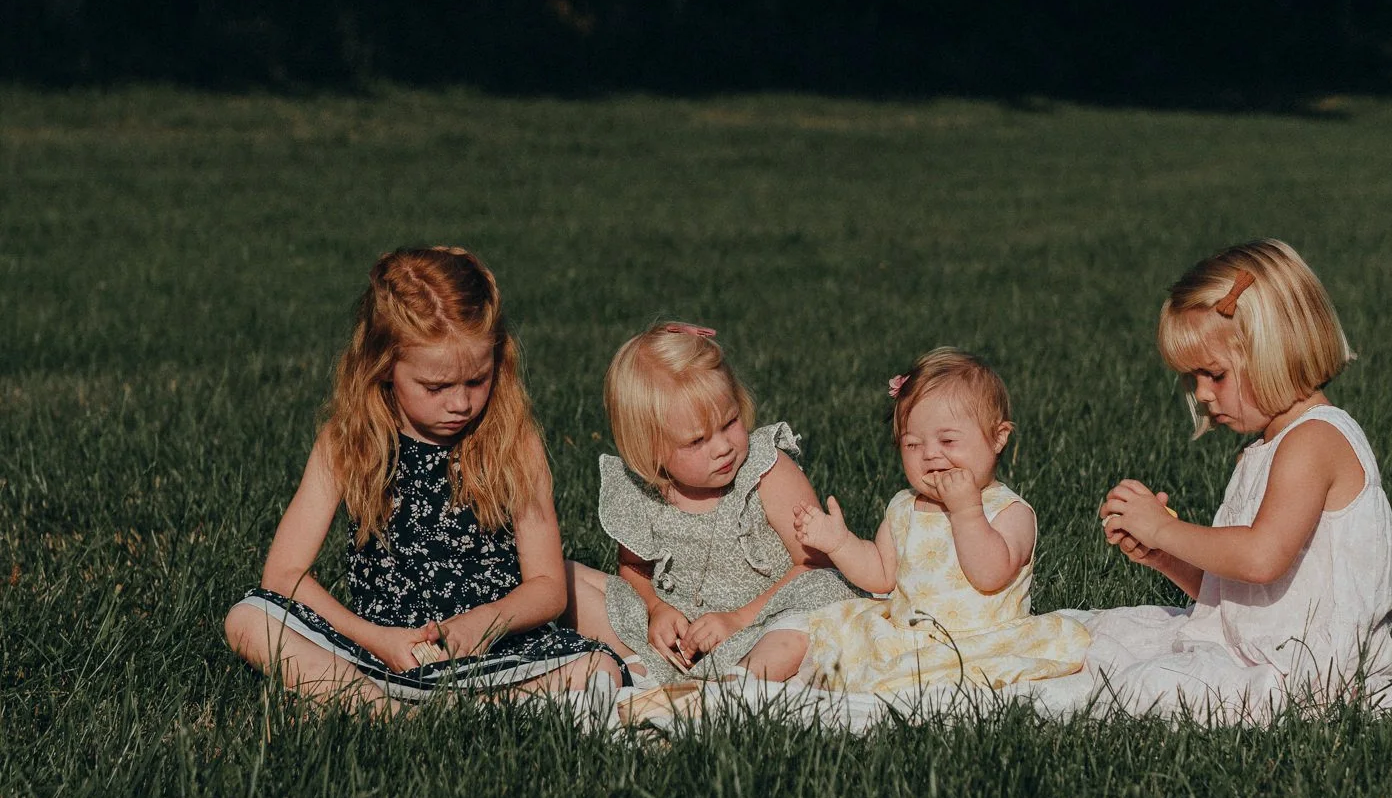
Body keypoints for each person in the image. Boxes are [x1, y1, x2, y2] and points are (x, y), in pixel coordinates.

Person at [224, 246, 618, 707]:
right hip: (381, 651)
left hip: (494, 650)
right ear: (385, 366)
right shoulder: (347, 442)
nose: (459, 403)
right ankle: (385, 708)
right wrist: (376, 639)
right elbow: (284, 574)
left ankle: (390, 705)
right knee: (247, 620)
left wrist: (482, 624)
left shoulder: (513, 441)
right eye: (435, 387)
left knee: (597, 668)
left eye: (477, 380)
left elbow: (549, 587)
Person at [1091, 238, 1392, 720]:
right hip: (1261, 651)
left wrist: (1164, 528)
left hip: (1310, 676)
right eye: (1192, 379)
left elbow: (1261, 559)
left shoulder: (1313, 442)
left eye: (1214, 375)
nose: (1201, 394)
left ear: (1274, 352)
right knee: (1100, 638)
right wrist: (1165, 556)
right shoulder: (1267, 449)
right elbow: (1240, 597)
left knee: (1139, 688)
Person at [747, 349, 1091, 696]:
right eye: (912, 444)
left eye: (948, 440)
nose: (929, 454)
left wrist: (966, 510)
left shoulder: (1009, 511)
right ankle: (738, 683)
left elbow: (990, 575)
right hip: (907, 635)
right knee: (806, 627)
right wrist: (839, 543)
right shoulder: (904, 506)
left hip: (979, 640)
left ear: (999, 437)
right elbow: (881, 573)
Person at [567, 322, 858, 683]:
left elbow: (812, 564)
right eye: (697, 441)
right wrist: (657, 608)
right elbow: (633, 569)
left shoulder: (765, 470)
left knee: (819, 599)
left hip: (763, 621)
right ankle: (649, 668)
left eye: (730, 422)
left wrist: (737, 620)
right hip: (684, 633)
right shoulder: (643, 493)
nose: (722, 447)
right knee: (566, 578)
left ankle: (737, 684)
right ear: (650, 449)